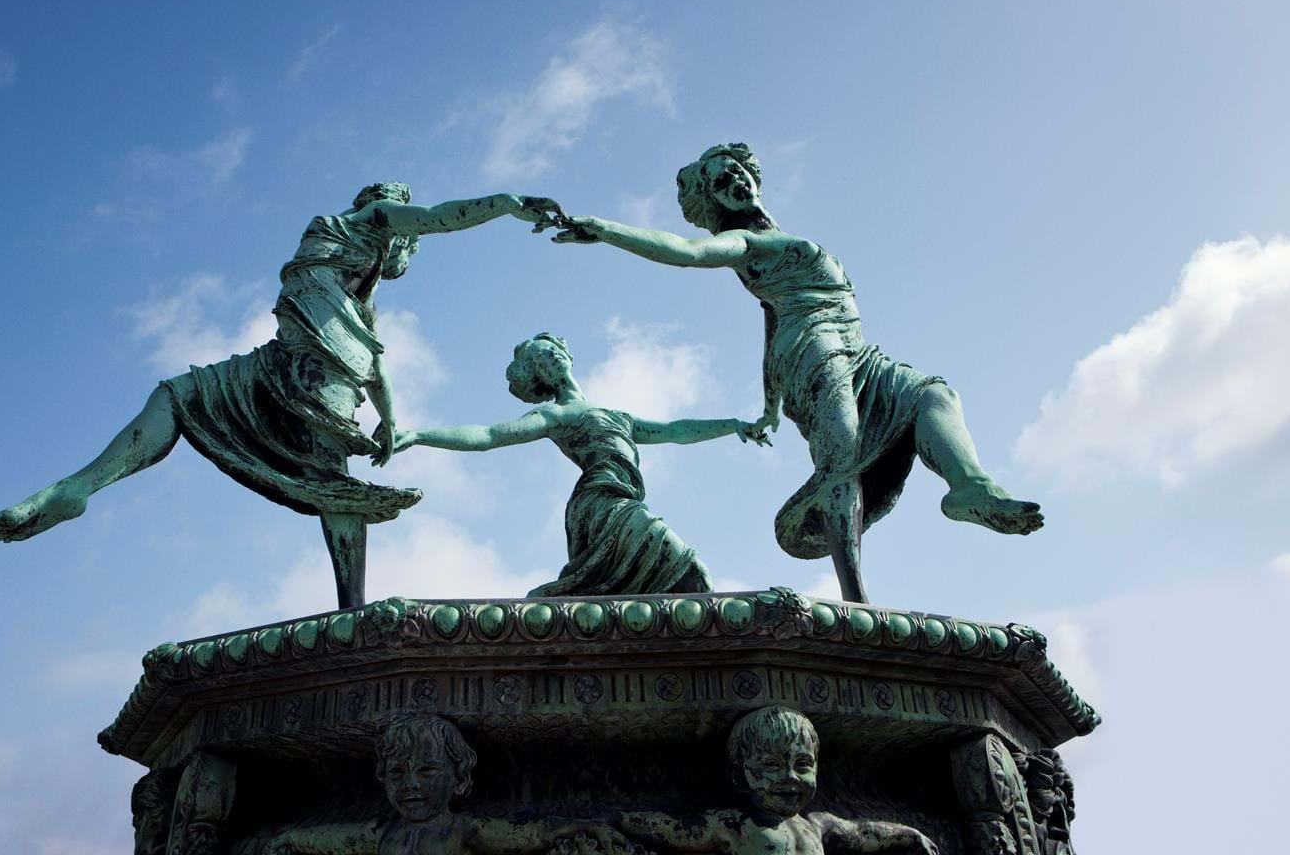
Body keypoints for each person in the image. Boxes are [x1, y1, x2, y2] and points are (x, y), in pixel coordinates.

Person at [0, 184, 562, 607]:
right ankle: (351, 609)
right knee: (334, 486)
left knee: (177, 394)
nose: (409, 253)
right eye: (410, 247)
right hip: (316, 373)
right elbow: (439, 216)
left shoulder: (354, 288)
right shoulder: (375, 219)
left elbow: (375, 357)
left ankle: (79, 485)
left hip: (280, 362)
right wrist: (507, 205)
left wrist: (394, 419)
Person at [548, 143, 1042, 603]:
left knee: (933, 395)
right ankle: (856, 597)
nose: (736, 181)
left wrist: (769, 405)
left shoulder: (772, 239)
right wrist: (608, 230)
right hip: (815, 350)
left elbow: (769, 316)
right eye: (721, 182)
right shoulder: (738, 241)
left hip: (859, 351)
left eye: (737, 170)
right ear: (714, 200)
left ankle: (970, 487)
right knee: (841, 460)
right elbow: (686, 252)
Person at [395, 333, 767, 597]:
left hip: (624, 499)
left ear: (567, 354)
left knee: (685, 582)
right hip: (602, 503)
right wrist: (420, 434)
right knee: (693, 574)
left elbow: (677, 430)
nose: (551, 358)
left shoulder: (617, 414)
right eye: (541, 359)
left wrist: (733, 425)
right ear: (539, 377)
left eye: (552, 350)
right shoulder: (555, 415)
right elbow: (490, 435)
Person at [269, 714, 628, 855]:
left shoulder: (463, 830)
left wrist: (582, 825)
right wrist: (288, 839)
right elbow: (327, 840)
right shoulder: (381, 833)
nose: (408, 784)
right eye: (396, 773)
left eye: (426, 770)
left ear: (460, 780)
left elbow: (529, 834)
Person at [616, 706, 938, 855]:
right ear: (739, 777)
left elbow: (864, 833)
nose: (789, 777)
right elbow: (674, 832)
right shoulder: (733, 825)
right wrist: (618, 821)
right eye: (770, 765)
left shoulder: (818, 825)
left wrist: (909, 836)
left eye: (802, 764)